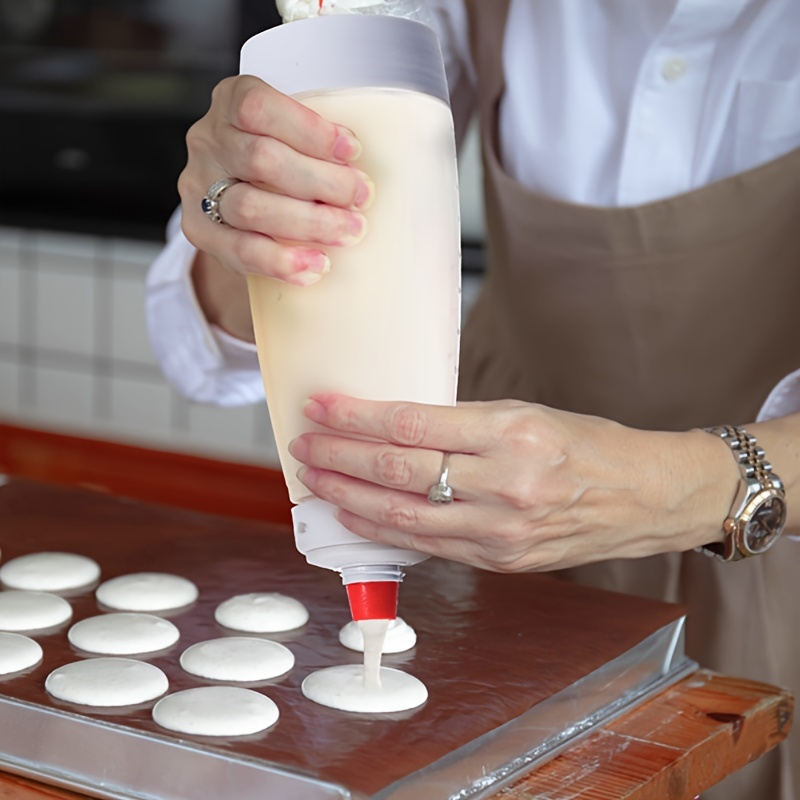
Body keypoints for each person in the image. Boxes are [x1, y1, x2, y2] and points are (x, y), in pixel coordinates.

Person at [146, 1, 800, 797]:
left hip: (776, 549)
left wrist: (693, 485)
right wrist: (245, 211)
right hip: (482, 538)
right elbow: (223, 324)